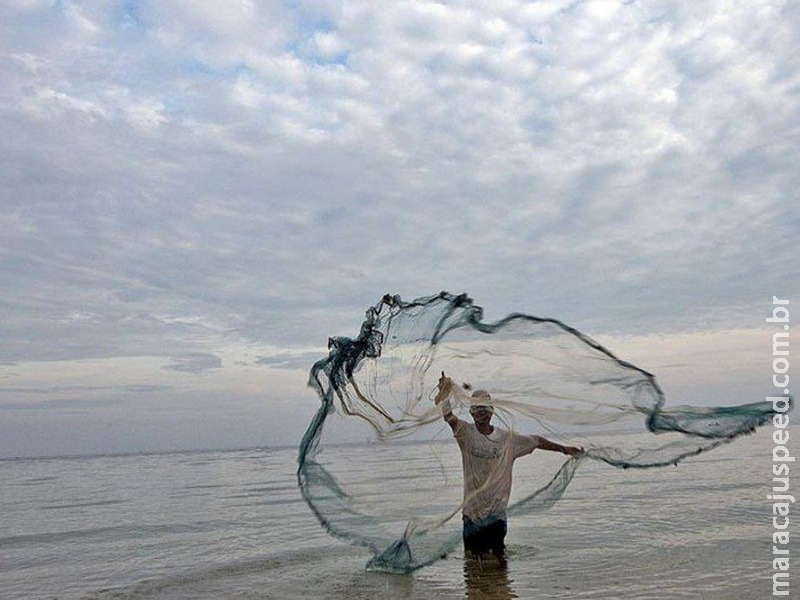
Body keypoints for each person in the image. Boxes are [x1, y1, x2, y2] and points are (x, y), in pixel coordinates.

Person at [434, 372, 581, 559]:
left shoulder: (507, 439)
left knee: (499, 564)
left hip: (497, 515)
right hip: (472, 516)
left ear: (492, 411)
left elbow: (537, 441)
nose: (482, 413)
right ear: (471, 412)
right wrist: (444, 393)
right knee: (472, 566)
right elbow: (449, 417)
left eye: (485, 409)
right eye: (478, 409)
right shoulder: (466, 433)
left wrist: (564, 449)